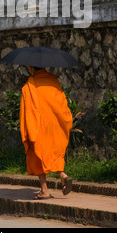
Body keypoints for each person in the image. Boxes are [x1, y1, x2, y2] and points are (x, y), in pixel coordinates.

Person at [19, 66, 73, 200]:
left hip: (39, 125)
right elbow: (62, 103)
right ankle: (62, 175)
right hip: (55, 123)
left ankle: (44, 190)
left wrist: (28, 129)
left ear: (31, 67)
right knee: (53, 151)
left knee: (38, 153)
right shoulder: (53, 80)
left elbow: (27, 110)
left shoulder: (30, 84)